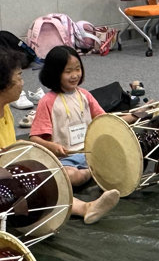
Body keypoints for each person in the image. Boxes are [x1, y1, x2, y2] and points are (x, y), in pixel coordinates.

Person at [25, 46, 122, 224]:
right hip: (66, 159)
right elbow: (34, 138)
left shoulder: (84, 95)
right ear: (55, 73)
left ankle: (94, 171)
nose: (75, 75)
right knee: (70, 175)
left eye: (77, 69)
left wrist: (135, 115)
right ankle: (90, 175)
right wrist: (53, 147)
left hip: (89, 152)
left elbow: (104, 119)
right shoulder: (47, 101)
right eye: (68, 71)